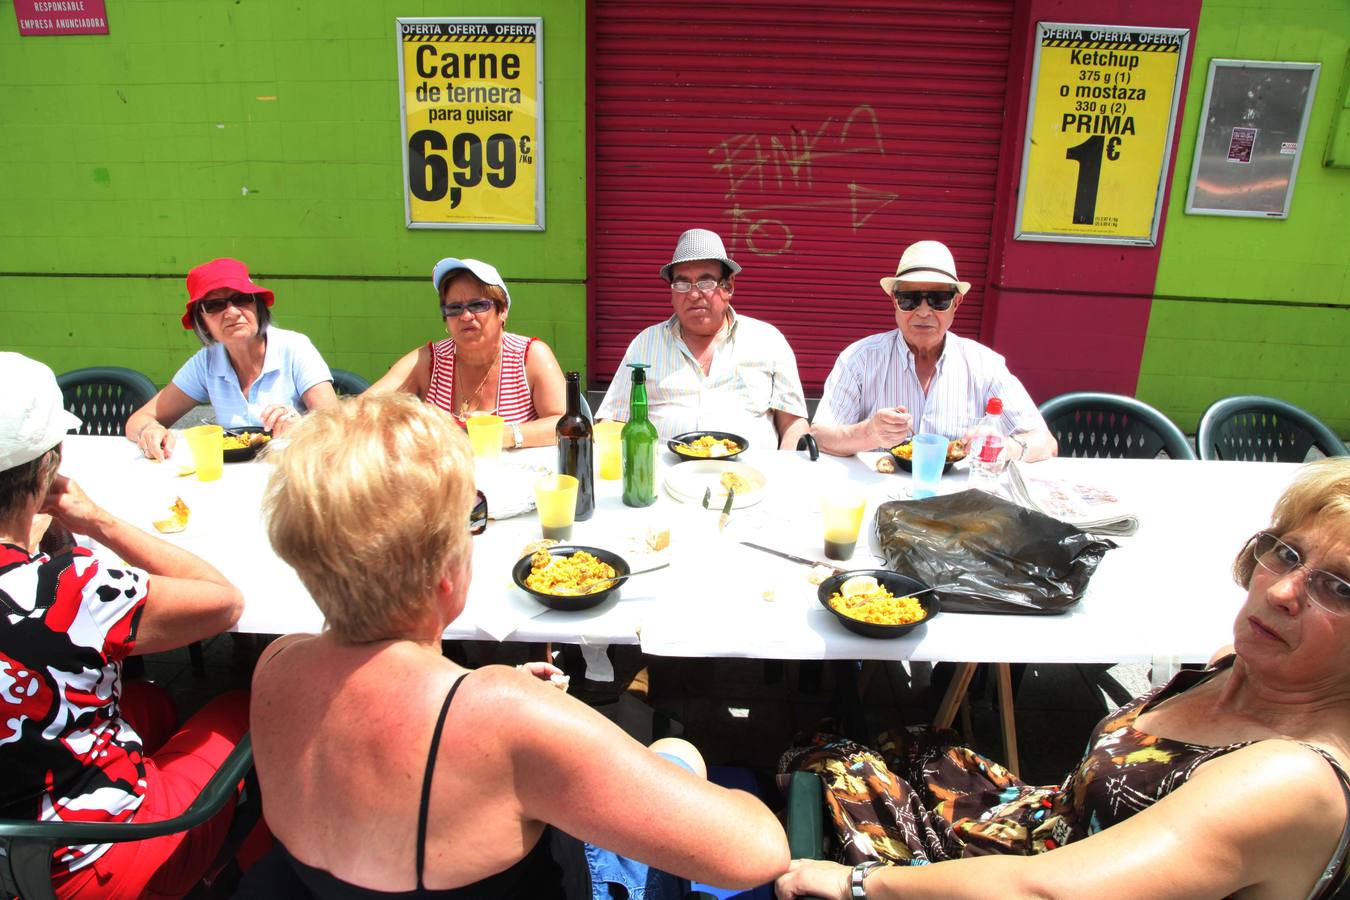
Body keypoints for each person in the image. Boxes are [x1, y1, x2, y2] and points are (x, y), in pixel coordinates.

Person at [249, 392, 788, 897]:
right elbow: (758, 851)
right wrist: (547, 722)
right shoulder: (506, 716)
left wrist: (507, 707)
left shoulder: (274, 666)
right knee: (678, 755)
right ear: (444, 572)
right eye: (472, 522)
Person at [776, 456, 1350, 900]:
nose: (1280, 592)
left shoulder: (1288, 779)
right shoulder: (1239, 662)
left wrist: (856, 884)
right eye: (1289, 554)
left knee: (823, 771)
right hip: (1035, 829)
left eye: (1338, 588)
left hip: (1032, 880)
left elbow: (1046, 891)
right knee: (893, 744)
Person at [0, 352, 252, 899]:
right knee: (243, 708)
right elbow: (224, 603)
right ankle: (233, 869)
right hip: (86, 867)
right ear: (49, 467)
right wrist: (97, 520)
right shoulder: (71, 585)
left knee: (154, 702)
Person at [810, 240, 1056, 461]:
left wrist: (1005, 448)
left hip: (959, 503)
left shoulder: (984, 365)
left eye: (938, 299)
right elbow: (819, 435)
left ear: (956, 303)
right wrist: (869, 433)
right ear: (894, 302)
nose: (924, 312)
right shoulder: (860, 359)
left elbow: (1045, 443)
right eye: (910, 299)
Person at [595, 228, 809, 450]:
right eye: (682, 284)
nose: (694, 294)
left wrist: (786, 473)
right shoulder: (645, 344)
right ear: (672, 292)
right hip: (663, 476)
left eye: (706, 283)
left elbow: (793, 424)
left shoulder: (767, 341)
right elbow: (613, 420)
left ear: (729, 286)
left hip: (751, 477)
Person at [125, 257, 339, 460]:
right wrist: (150, 429)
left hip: (293, 475)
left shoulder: (294, 348)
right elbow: (138, 420)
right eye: (215, 305)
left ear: (258, 306)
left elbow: (337, 425)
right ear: (202, 321)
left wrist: (301, 426)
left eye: (241, 299)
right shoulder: (205, 362)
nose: (232, 312)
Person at [368, 257, 566, 449]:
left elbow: (564, 423)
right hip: (447, 479)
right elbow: (364, 410)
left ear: (503, 309)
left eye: (478, 305)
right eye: (454, 308)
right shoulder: (428, 360)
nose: (465, 316)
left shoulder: (530, 356)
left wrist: (505, 435)